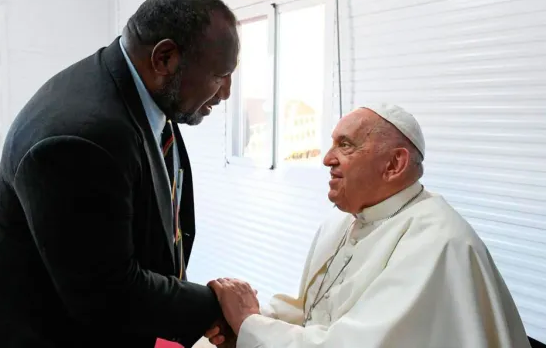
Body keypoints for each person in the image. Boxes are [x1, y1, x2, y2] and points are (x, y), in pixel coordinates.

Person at [0, 0, 239, 348]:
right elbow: (106, 292)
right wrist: (214, 307)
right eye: (220, 74)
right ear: (165, 58)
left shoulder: (145, 96)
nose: (226, 91)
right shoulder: (80, 139)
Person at [205, 104, 531, 348]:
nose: (327, 158)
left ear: (394, 164)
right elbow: (314, 313)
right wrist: (251, 320)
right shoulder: (343, 222)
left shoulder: (438, 244)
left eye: (345, 145)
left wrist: (250, 323)